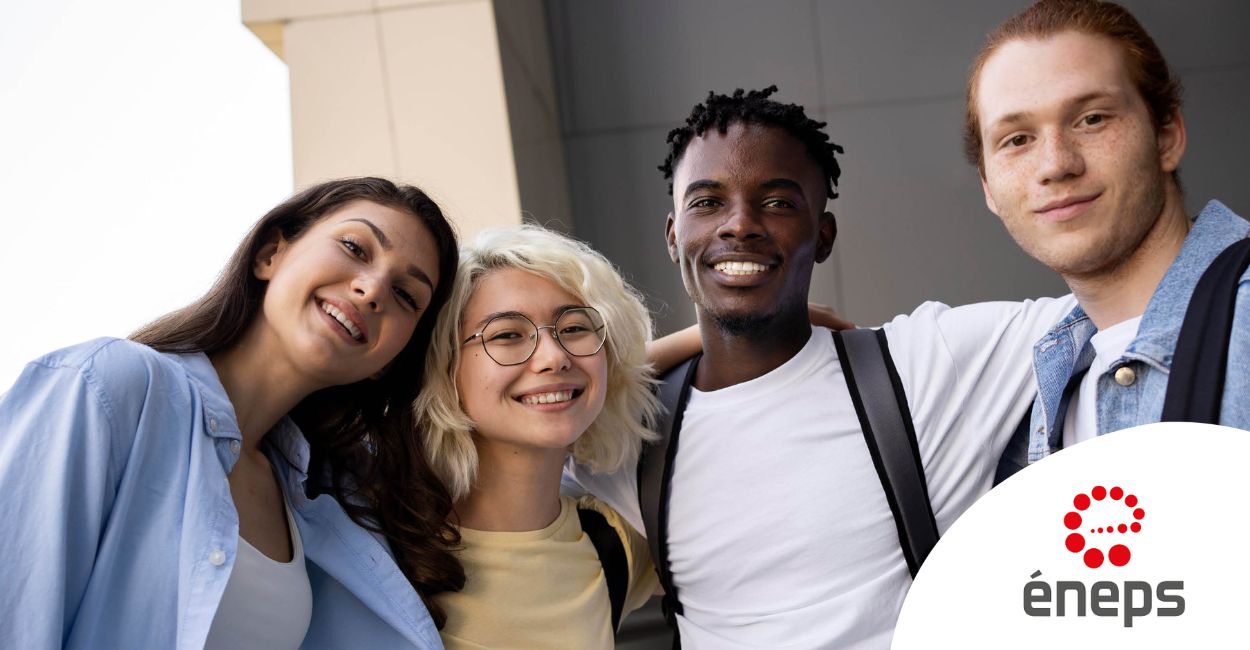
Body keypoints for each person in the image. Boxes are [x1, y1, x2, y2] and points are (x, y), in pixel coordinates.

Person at [565, 86, 1076, 649]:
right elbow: (497, 441)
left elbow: (1124, 301)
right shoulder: (632, 430)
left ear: (823, 235)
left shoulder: (923, 364)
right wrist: (669, 351)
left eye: (778, 202)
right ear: (673, 234)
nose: (739, 225)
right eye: (707, 202)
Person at [0, 177, 462, 649]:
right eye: (354, 247)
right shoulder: (108, 384)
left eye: (407, 295)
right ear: (269, 255)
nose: (372, 289)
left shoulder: (330, 505)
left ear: (389, 364)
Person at [964, 0, 1250, 470]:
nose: (1056, 164)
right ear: (989, 189)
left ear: (1167, 136)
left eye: (1092, 119)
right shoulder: (1026, 399)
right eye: (1017, 139)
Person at [415, 225, 662, 648]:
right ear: (444, 367)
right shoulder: (385, 551)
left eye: (573, 329)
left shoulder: (615, 543)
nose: (554, 357)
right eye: (507, 335)